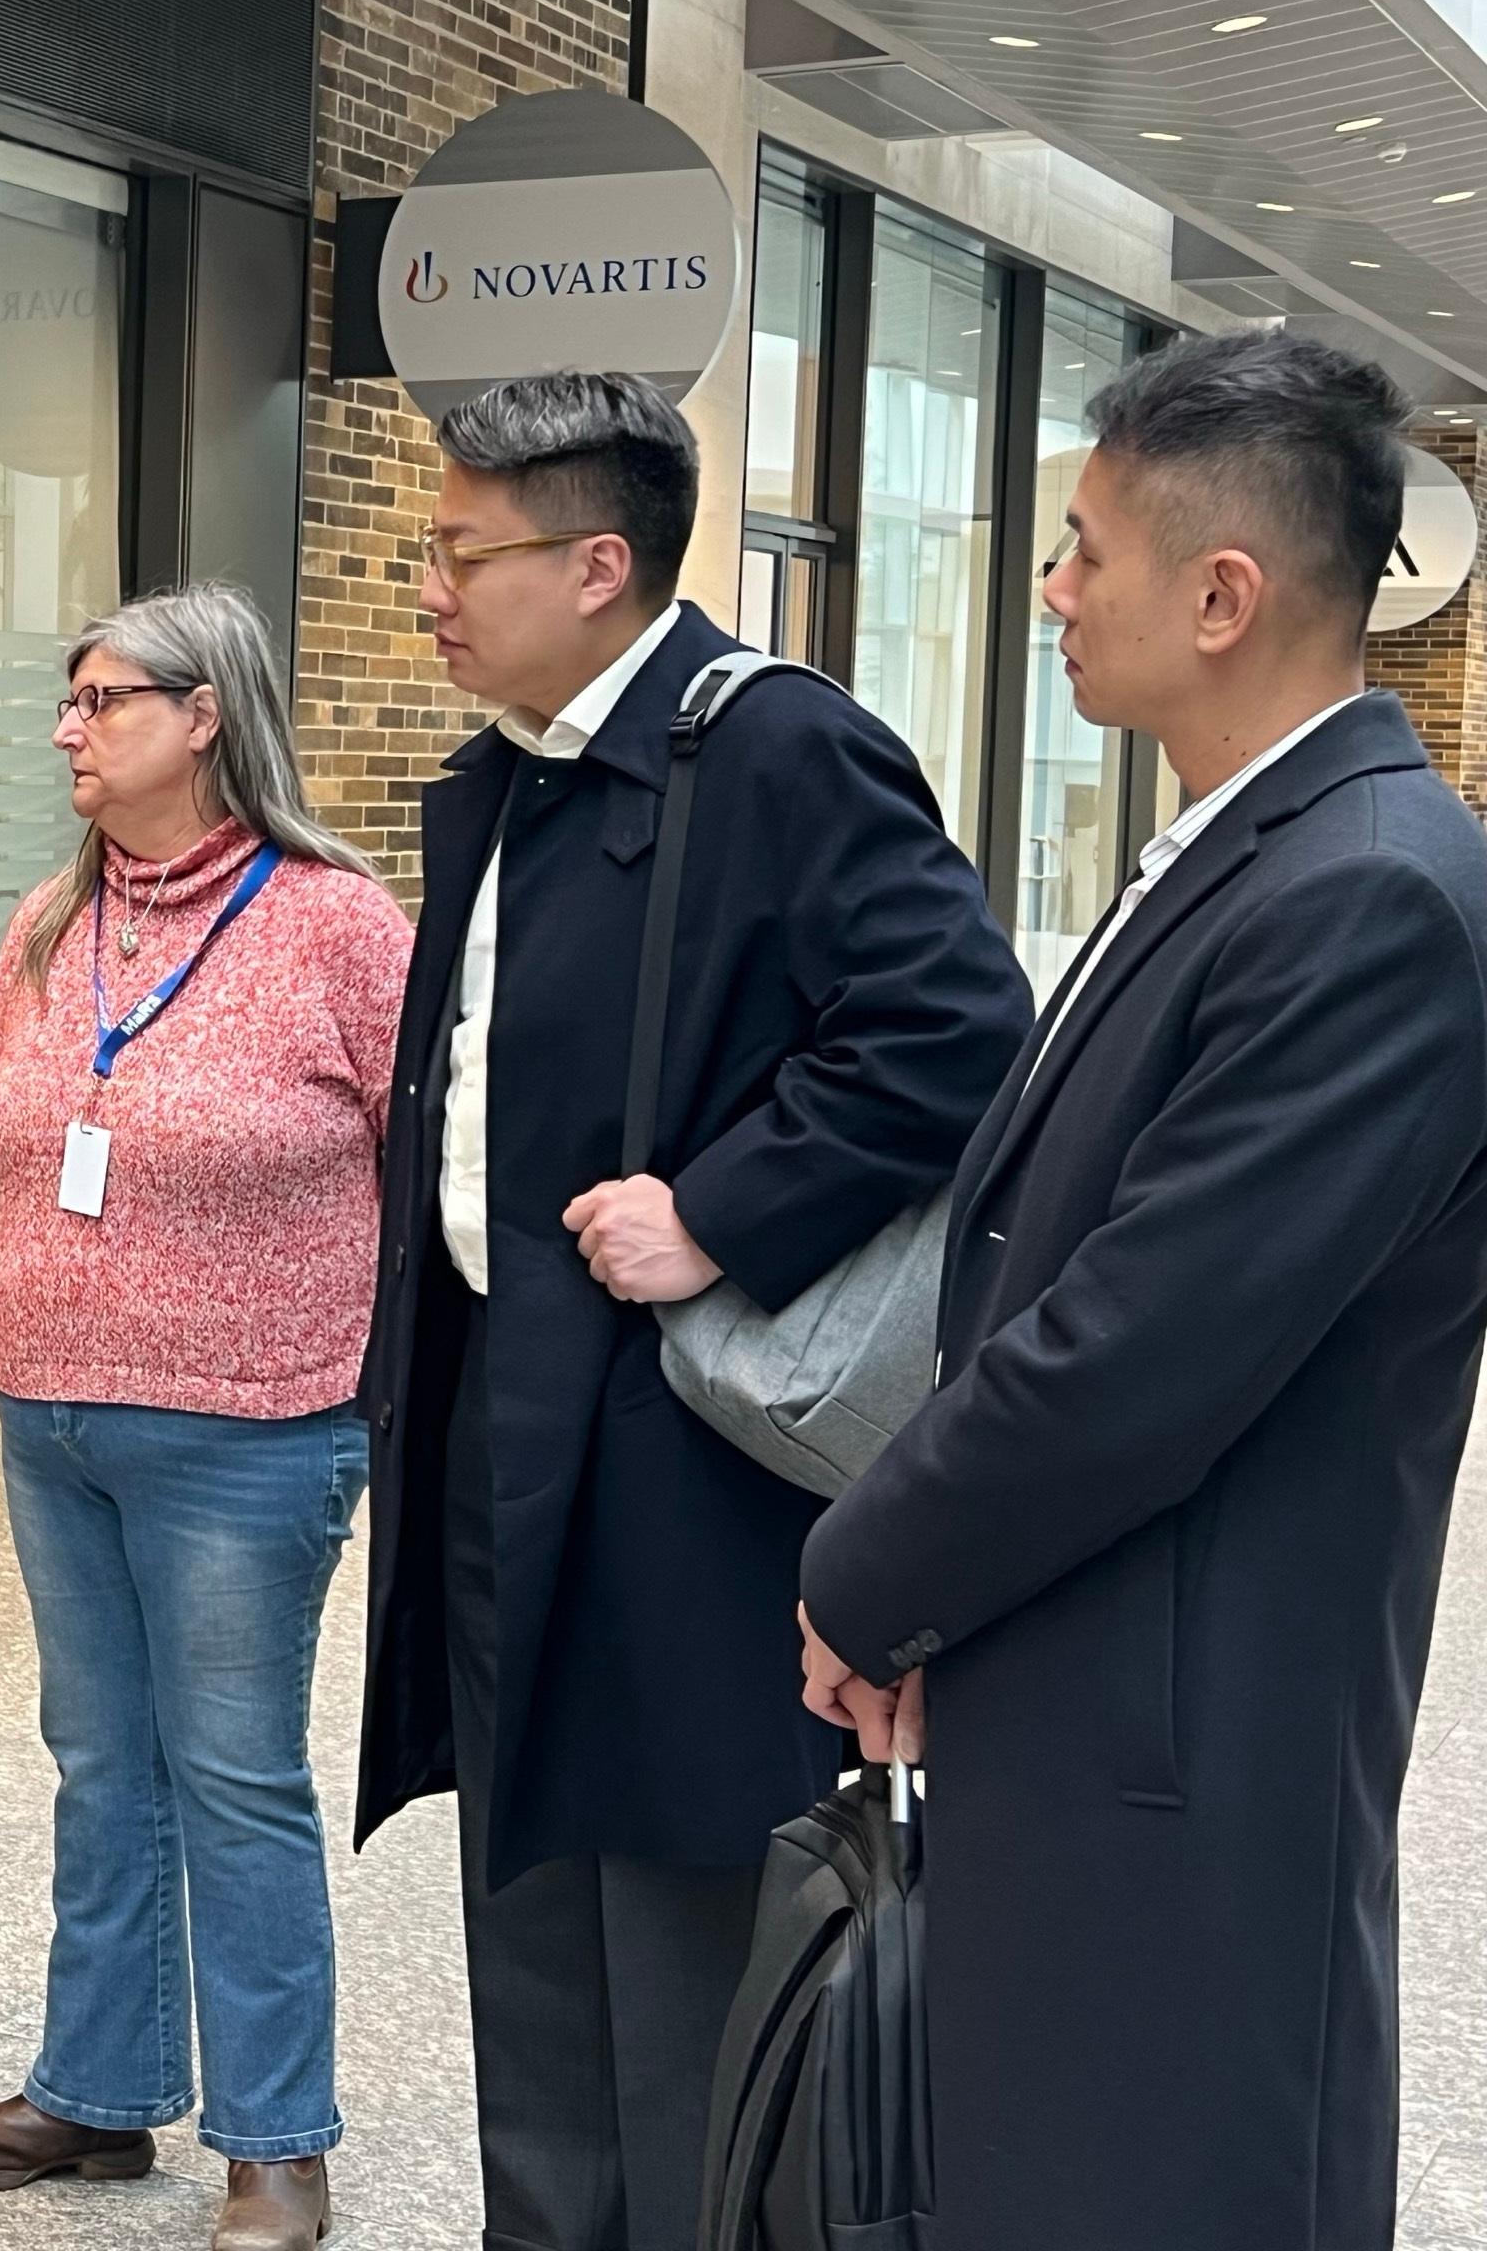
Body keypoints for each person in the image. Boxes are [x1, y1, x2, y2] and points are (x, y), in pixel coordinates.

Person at [799, 330, 1487, 2250]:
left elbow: (1132, 1351)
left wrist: (865, 1571)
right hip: (1090, 1691)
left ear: (1223, 592)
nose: (1051, 588)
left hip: (1198, 1741)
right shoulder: (1243, 846)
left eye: (1083, 548)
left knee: (1165, 2177)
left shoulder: (1371, 895)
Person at [350, 372, 1029, 2250]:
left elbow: (960, 1029)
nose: (427, 586)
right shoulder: (506, 778)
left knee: (675, 1928)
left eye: (457, 551)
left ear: (596, 563)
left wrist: (718, 1211)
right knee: (531, 1893)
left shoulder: (776, 752)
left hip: (678, 1452)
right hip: (505, 1416)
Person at [0, 583, 415, 2251]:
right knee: (100, 1761)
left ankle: (277, 2139)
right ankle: (99, 2094)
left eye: (104, 700)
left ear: (206, 716)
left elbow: (435, 1177)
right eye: (70, 700)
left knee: (234, 1771)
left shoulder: (338, 926)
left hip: (252, 1426)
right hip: (48, 1409)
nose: (69, 728)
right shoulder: (53, 921)